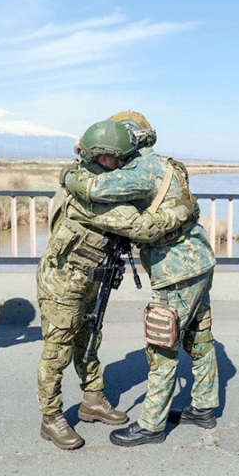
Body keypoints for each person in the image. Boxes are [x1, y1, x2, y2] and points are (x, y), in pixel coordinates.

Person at [36, 119, 200, 450]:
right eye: (117, 158)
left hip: (88, 277)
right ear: (100, 157)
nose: (123, 162)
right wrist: (184, 209)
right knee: (57, 350)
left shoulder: (89, 177)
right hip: (63, 281)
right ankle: (51, 417)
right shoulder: (91, 195)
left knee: (88, 338)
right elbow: (142, 228)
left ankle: (92, 399)